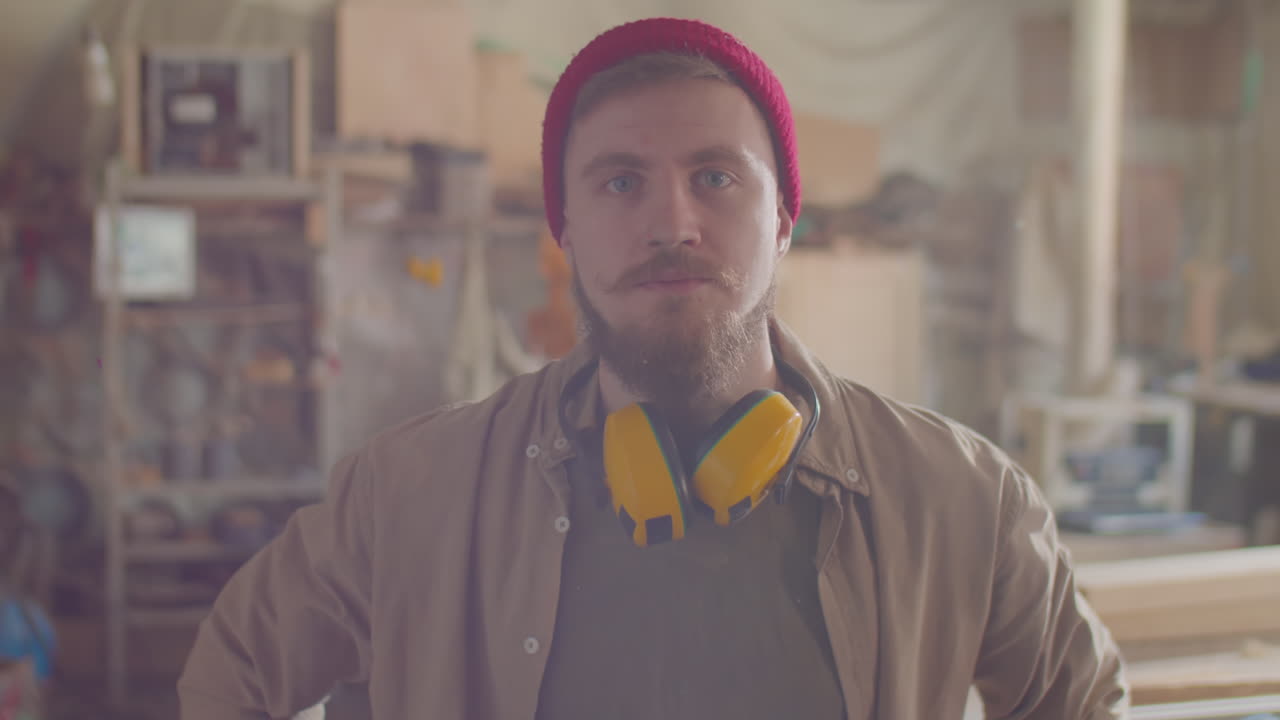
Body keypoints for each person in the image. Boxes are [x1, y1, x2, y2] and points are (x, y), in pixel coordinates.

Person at [178, 17, 1129, 719]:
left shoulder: (961, 502)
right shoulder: (409, 498)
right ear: (566, 229)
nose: (671, 222)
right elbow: (231, 677)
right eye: (620, 181)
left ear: (784, 220)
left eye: (716, 176)